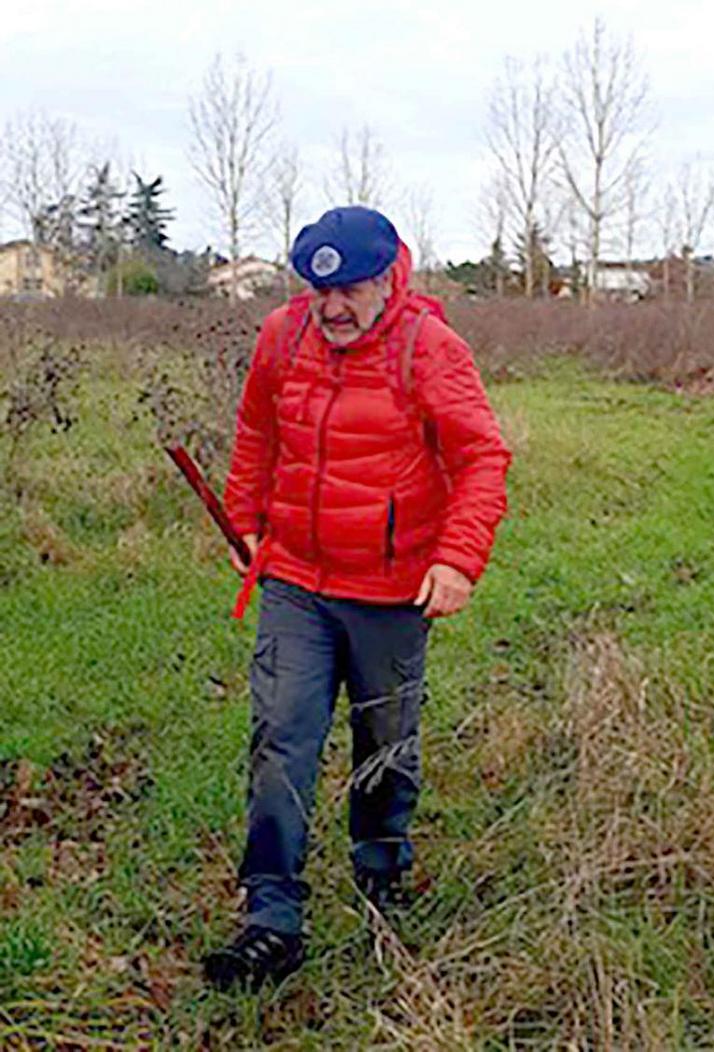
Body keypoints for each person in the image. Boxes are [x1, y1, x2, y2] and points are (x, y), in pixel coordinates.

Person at [203, 206, 512, 992]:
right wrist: (243, 519)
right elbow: (256, 432)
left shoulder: (428, 347)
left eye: (349, 290)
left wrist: (457, 560)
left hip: (390, 589)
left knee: (384, 742)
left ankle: (380, 869)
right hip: (296, 582)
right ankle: (271, 917)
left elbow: (482, 457)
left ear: (387, 279)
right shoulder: (282, 335)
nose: (332, 308)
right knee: (281, 737)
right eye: (318, 291)